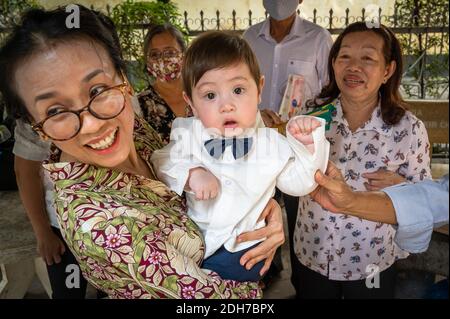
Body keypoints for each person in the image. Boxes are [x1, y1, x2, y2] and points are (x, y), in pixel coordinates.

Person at [0, 6, 285, 299]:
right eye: (56, 110)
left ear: (123, 78)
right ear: (35, 126)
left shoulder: (130, 129)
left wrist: (259, 212)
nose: (92, 123)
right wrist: (251, 262)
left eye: (97, 90)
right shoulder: (99, 224)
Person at [151, 31, 329, 282]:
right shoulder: (188, 133)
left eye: (238, 89)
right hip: (196, 244)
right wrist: (191, 173)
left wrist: (309, 147)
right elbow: (162, 160)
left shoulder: (272, 143)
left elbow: (300, 183)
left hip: (243, 250)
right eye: (210, 95)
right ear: (190, 101)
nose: (227, 105)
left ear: (259, 90)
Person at [292, 22, 432, 299]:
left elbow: (425, 203)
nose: (353, 67)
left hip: (372, 259)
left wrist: (402, 187)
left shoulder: (408, 129)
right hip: (311, 249)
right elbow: (286, 170)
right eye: (345, 57)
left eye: (367, 58)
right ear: (333, 63)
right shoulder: (311, 116)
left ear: (387, 70)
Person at [243, 0, 333, 286]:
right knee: (258, 212)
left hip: (298, 146)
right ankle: (263, 277)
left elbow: (331, 91)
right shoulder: (249, 38)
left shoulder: (318, 38)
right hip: (260, 143)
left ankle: (303, 283)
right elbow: (239, 85)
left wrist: (302, 120)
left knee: (299, 217)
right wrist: (255, 114)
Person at [310, 161, 449, 253]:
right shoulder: (317, 118)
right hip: (314, 245)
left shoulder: (411, 126)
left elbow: (434, 198)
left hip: (372, 253)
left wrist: (402, 187)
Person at [139, 23, 192, 144]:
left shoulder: (203, 94)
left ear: (183, 54)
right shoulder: (140, 106)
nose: (162, 59)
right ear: (147, 61)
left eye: (170, 52)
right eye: (154, 54)